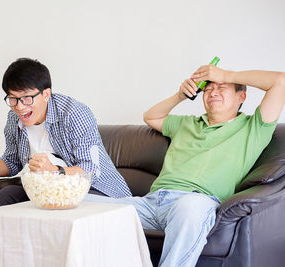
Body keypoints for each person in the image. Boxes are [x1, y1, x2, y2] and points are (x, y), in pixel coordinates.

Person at [85, 64, 285, 267]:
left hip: (196, 201)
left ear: (241, 97)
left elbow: (280, 81)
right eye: (207, 89)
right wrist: (180, 96)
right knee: (79, 203)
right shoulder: (187, 124)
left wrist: (226, 74)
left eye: (221, 87)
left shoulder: (253, 128)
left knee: (190, 207)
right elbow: (151, 116)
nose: (212, 92)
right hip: (151, 203)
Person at [0, 58, 132, 206]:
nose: (19, 107)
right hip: (50, 190)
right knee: (7, 195)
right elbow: (11, 162)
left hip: (93, 189)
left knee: (67, 204)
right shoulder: (14, 119)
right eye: (12, 98)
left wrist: (55, 170)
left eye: (27, 98)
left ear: (46, 94)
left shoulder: (74, 113)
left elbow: (90, 169)